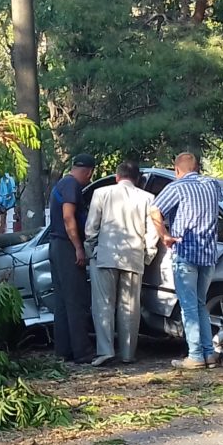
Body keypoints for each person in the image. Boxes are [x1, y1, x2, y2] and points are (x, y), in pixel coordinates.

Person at [149, 152, 223, 369]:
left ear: (177, 170)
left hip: (186, 253)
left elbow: (155, 209)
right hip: (208, 254)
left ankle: (195, 356)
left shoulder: (177, 187)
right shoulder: (212, 185)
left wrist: (164, 235)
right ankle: (209, 353)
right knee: (201, 304)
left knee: (188, 307)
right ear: (197, 167)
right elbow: (219, 203)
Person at [85, 161, 158, 366]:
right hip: (133, 255)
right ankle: (128, 352)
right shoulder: (148, 198)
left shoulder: (101, 193)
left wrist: (91, 250)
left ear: (117, 176)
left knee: (103, 305)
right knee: (130, 306)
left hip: (105, 254)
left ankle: (105, 350)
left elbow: (91, 227)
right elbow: (152, 232)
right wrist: (148, 255)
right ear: (137, 179)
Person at [48, 153, 97, 363]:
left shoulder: (61, 183)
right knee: (76, 300)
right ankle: (83, 352)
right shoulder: (72, 185)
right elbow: (69, 216)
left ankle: (64, 350)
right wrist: (78, 247)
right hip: (67, 246)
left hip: (56, 245)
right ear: (89, 172)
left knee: (63, 301)